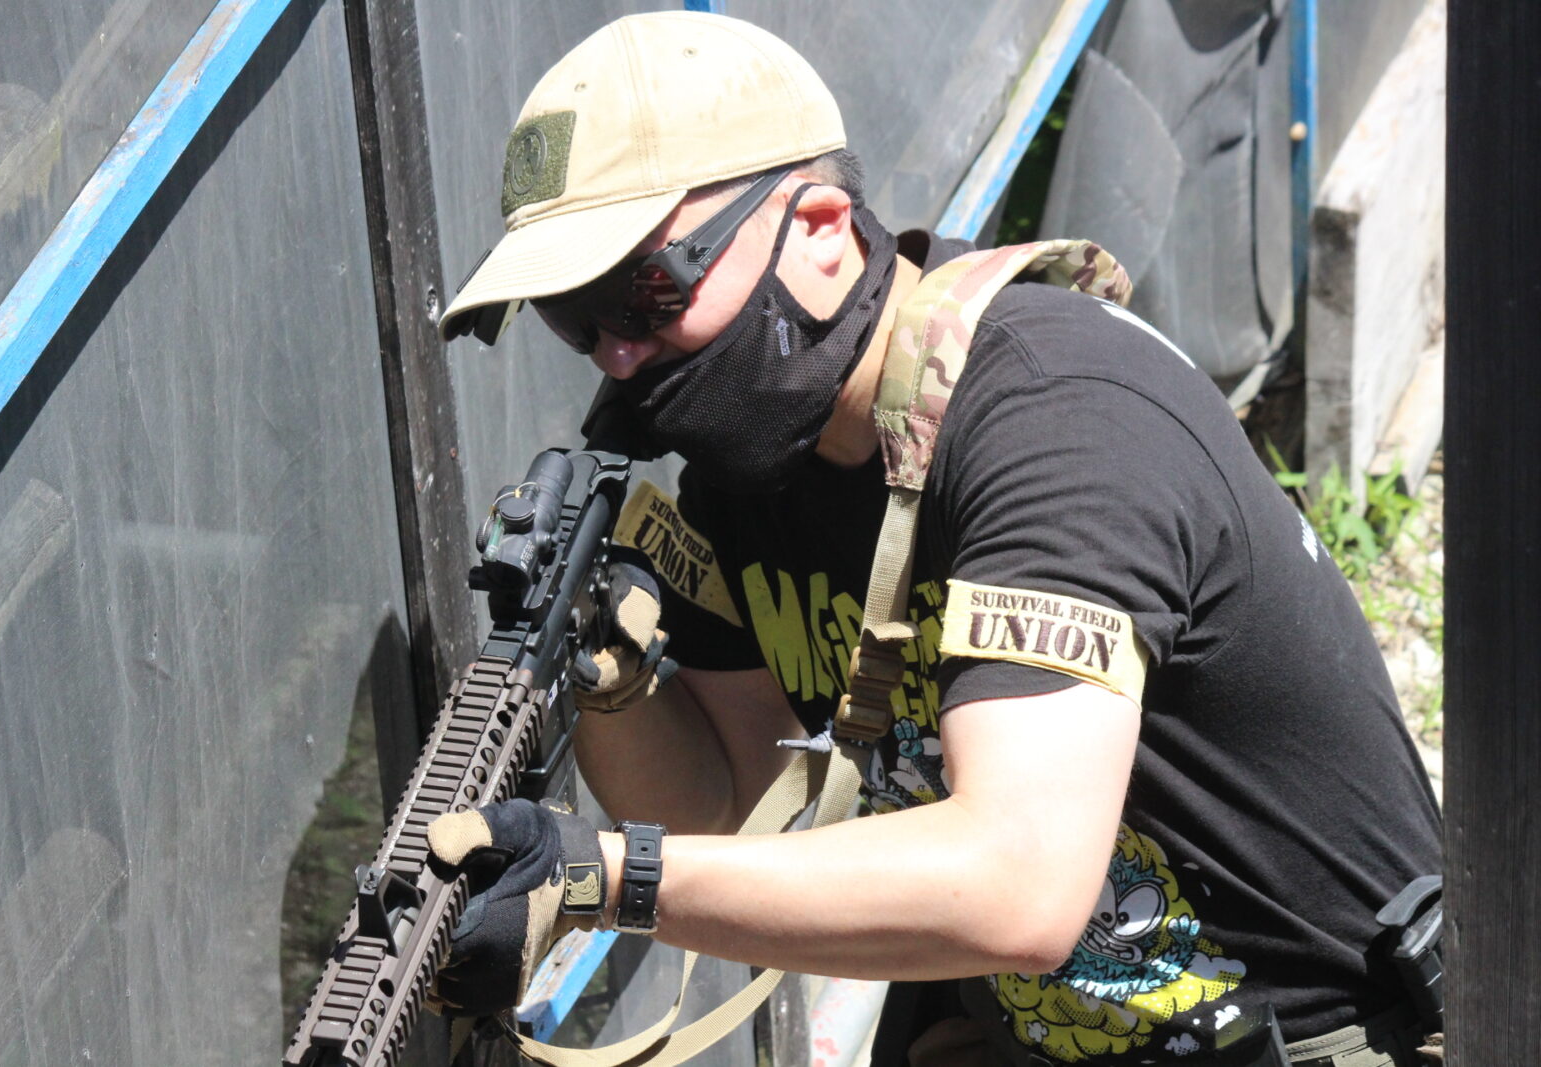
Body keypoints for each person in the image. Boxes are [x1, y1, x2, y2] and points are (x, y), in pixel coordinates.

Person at [428, 11, 1443, 1066]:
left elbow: (1019, 881)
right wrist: (610, 672)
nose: (617, 355)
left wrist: (601, 878)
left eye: (643, 291)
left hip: (1317, 1038)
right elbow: (724, 804)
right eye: (575, 316)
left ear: (821, 227)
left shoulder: (1057, 422)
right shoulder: (752, 469)